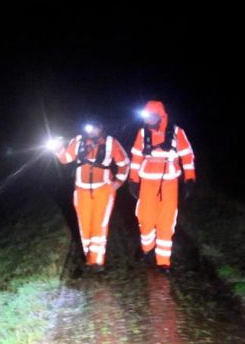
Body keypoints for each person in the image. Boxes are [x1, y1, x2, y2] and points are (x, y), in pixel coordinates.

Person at [128, 100, 196, 273]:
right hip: (147, 181)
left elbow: (187, 156)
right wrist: (133, 180)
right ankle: (146, 248)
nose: (147, 120)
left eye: (150, 116)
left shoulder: (176, 132)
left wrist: (190, 179)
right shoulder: (142, 133)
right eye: (146, 116)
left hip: (169, 182)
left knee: (167, 220)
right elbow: (136, 157)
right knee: (145, 218)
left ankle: (163, 261)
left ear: (159, 116)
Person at [54, 121, 130, 272]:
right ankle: (90, 257)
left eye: (95, 127)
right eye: (89, 127)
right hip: (81, 191)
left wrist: (118, 182)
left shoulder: (111, 143)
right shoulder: (77, 141)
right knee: (85, 226)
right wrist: (57, 149)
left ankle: (97, 260)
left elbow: (124, 163)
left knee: (99, 225)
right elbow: (65, 159)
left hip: (103, 190)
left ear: (101, 128)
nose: (92, 130)